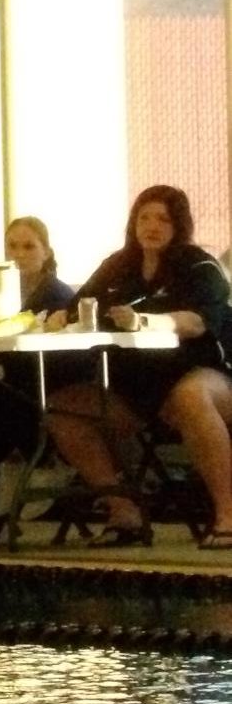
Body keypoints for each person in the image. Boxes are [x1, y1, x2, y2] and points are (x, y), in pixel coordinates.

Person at [46, 185, 232, 549]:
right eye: (144, 217)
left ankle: (228, 514)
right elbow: (78, 308)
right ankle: (123, 510)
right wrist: (58, 317)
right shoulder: (117, 265)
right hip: (137, 389)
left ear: (180, 225)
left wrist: (145, 321)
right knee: (61, 409)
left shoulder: (199, 267)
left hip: (205, 377)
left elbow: (196, 322)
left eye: (163, 218)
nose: (152, 226)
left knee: (189, 396)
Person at [4, 214, 75, 318]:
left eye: (29, 247)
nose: (19, 254)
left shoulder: (60, 297)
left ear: (46, 253)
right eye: (12, 246)